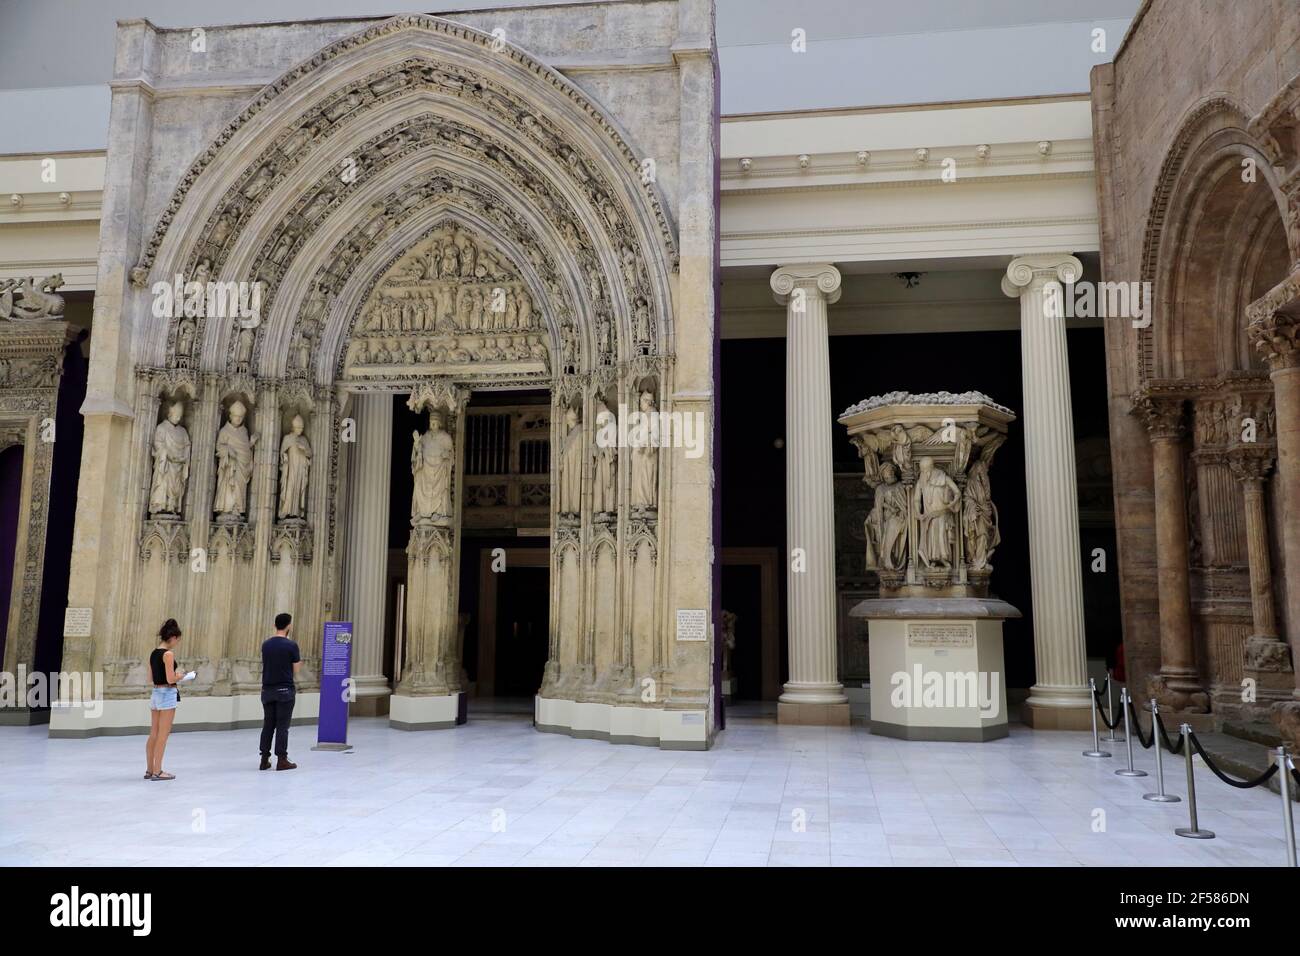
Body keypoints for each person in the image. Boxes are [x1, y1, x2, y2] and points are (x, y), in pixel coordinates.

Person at [260, 612, 301, 771]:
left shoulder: (266, 644)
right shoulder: (291, 645)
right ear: (289, 625)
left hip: (267, 690)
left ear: (275, 625)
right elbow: (296, 669)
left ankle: (264, 759)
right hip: (285, 690)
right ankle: (282, 759)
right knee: (282, 726)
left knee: (268, 724)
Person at [145, 619, 184, 781]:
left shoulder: (154, 653)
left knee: (153, 733)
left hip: (155, 693)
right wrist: (180, 675)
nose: (177, 643)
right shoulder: (168, 654)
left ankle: (149, 769)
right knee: (163, 734)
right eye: (177, 640)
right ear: (173, 637)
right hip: (167, 693)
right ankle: (158, 770)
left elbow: (150, 678)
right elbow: (170, 678)